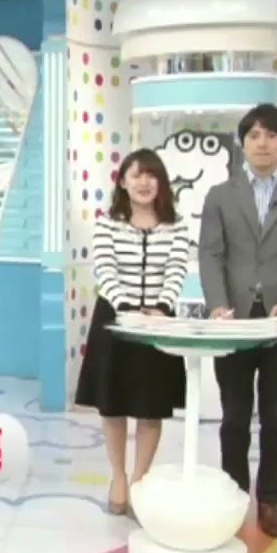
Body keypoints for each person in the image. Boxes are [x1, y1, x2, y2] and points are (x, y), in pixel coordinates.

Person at [198, 103, 277, 539]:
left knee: (276, 420)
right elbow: (210, 254)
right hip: (233, 324)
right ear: (243, 142)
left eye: (271, 135)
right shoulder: (219, 196)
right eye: (254, 135)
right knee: (234, 418)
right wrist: (217, 304)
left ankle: (269, 501)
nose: (262, 143)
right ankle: (234, 497)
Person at [75, 148, 190, 516]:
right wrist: (125, 307)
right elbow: (105, 268)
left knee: (150, 406)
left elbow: (176, 270)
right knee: (113, 404)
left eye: (151, 175)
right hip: (115, 320)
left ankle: (140, 481)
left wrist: (162, 308)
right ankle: (118, 477)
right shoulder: (107, 223)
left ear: (161, 183)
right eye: (136, 174)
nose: (144, 182)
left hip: (158, 323)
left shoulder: (177, 225)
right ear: (123, 181)